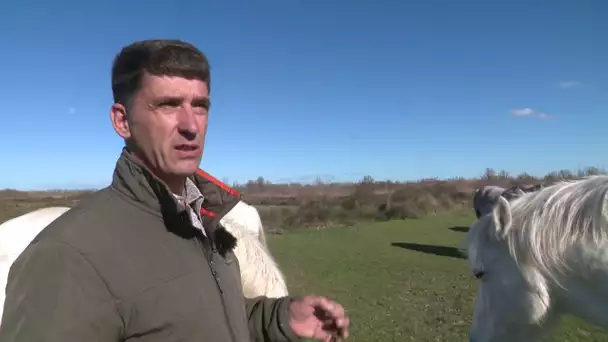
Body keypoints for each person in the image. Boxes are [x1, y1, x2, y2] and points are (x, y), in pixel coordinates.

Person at [0, 39, 350, 342]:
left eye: (200, 106)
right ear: (122, 121)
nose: (190, 125)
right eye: (167, 104)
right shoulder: (67, 256)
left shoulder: (203, 220)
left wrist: (282, 318)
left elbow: (202, 319)